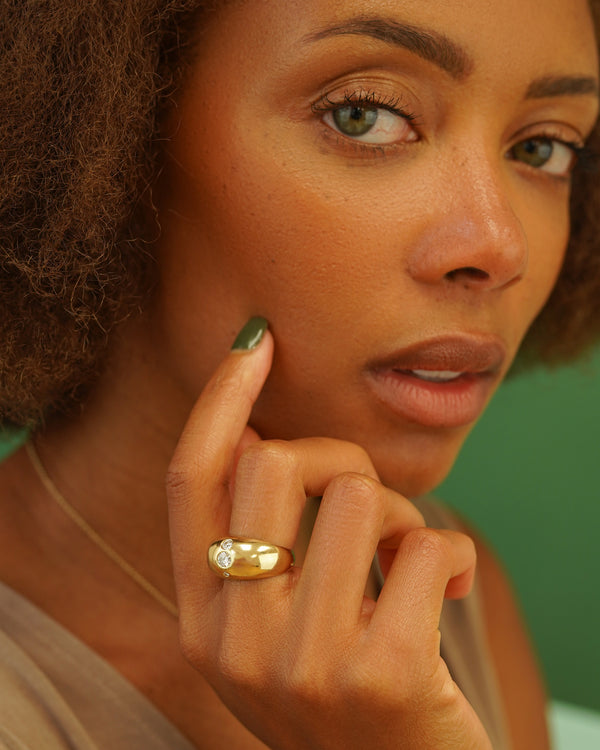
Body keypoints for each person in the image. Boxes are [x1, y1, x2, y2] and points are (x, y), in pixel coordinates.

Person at [1, 0, 599, 748]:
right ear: (105, 136)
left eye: (544, 148)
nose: (499, 245)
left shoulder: (439, 589)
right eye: (364, 116)